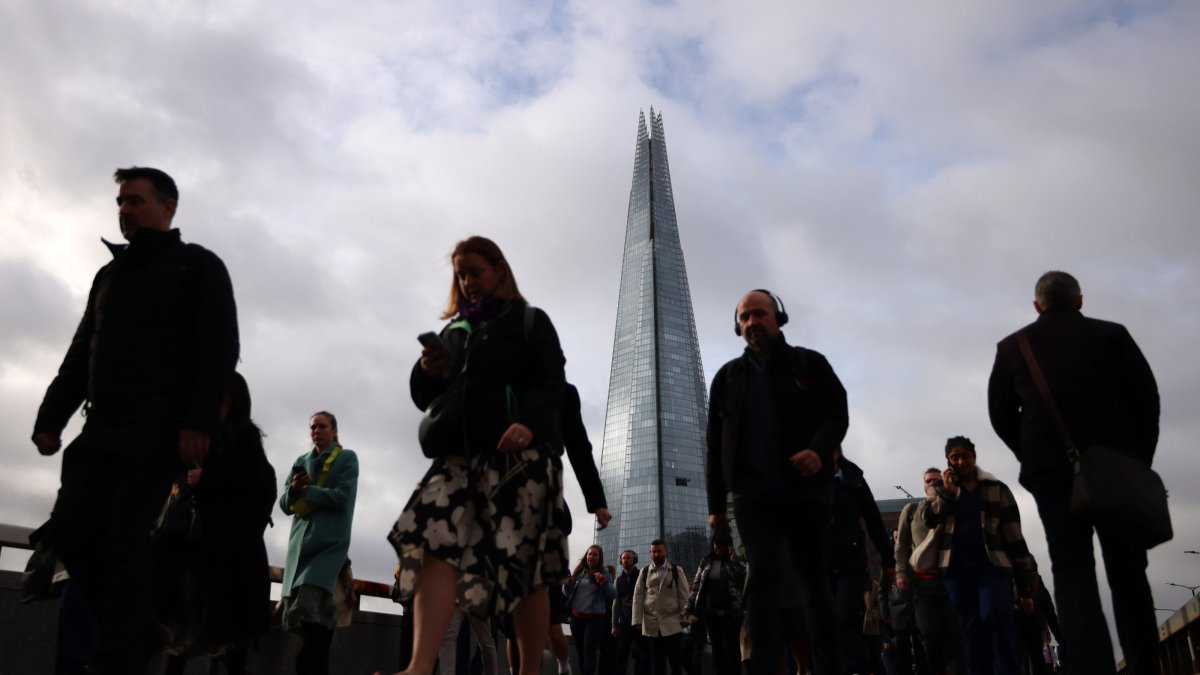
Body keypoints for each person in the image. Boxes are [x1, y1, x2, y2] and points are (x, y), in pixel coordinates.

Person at [31, 167, 239, 674]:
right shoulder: (109, 276)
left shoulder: (198, 266)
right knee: (70, 531)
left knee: (125, 537)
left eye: (135, 200)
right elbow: (82, 351)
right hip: (100, 428)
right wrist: (51, 417)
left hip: (157, 430)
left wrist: (198, 423)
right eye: (120, 202)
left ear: (168, 207)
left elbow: (219, 349)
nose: (124, 210)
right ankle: (138, 631)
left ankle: (116, 657)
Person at [389, 236, 569, 675]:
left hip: (521, 458)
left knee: (526, 568)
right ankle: (419, 666)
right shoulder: (456, 330)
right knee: (433, 543)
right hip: (461, 458)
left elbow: (553, 383)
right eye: (461, 275)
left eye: (475, 272)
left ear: (499, 271)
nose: (468, 282)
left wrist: (528, 423)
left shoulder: (529, 321)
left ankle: (528, 671)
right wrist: (426, 371)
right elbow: (425, 398)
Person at [987, 271, 1161, 675]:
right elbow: (1147, 401)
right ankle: (1144, 666)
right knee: (1128, 571)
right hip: (1117, 468)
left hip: (1052, 475)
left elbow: (1000, 415)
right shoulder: (1112, 335)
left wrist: (1031, 455)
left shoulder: (1014, 347)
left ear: (1037, 306)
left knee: (1071, 573)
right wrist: (1139, 459)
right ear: (1079, 300)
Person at [707, 289, 847, 675]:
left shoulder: (810, 364)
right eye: (744, 317)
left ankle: (828, 668)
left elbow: (836, 414)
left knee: (815, 585)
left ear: (778, 318)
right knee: (761, 588)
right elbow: (714, 446)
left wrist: (818, 450)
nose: (752, 322)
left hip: (805, 493)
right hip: (753, 497)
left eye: (759, 314)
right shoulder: (727, 378)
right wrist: (716, 508)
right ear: (738, 326)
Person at [162, 372, 277, 674]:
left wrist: (207, 478)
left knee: (226, 640)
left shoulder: (243, 437)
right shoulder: (200, 435)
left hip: (229, 554)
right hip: (198, 549)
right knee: (182, 634)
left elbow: (254, 485)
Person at [927, 437, 1037, 675]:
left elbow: (1013, 535)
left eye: (965, 456)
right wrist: (947, 493)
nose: (960, 461)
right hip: (956, 572)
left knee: (996, 621)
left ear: (974, 457)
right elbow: (928, 519)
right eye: (954, 457)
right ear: (948, 461)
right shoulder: (940, 489)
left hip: (993, 568)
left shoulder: (996, 488)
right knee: (969, 631)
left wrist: (1026, 577)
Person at [279, 411, 360, 675]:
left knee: (313, 622)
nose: (316, 431)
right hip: (299, 552)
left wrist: (309, 491)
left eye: (322, 426)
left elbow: (343, 497)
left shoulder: (347, 458)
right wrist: (294, 489)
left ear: (334, 431)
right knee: (315, 632)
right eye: (313, 427)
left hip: (327, 549)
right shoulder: (300, 461)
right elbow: (284, 505)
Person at [830, 447, 895, 674]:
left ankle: (853, 669)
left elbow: (873, 519)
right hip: (818, 562)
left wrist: (888, 558)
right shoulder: (804, 477)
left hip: (850, 559)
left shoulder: (853, 478)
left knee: (846, 615)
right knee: (823, 621)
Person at [895, 468, 965, 675]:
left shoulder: (954, 507)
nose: (933, 483)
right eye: (928, 481)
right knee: (929, 632)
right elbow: (901, 545)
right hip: (922, 584)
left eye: (936, 480)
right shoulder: (911, 510)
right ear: (924, 485)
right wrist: (900, 573)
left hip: (951, 581)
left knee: (955, 635)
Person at [683, 531, 746, 675]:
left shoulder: (734, 561)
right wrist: (688, 608)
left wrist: (734, 560)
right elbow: (696, 586)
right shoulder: (706, 561)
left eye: (721, 546)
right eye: (716, 545)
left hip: (732, 615)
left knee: (733, 649)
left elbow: (743, 576)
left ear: (728, 546)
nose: (717, 548)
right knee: (718, 651)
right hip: (711, 615)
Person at [631, 539, 691, 675]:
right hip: (652, 625)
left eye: (659, 551)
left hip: (672, 623)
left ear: (665, 552)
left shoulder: (676, 570)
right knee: (657, 664)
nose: (656, 554)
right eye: (653, 551)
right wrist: (637, 620)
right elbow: (638, 597)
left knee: (675, 663)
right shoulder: (644, 572)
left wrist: (685, 618)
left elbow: (684, 596)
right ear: (650, 552)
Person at [565, 545, 617, 675]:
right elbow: (568, 594)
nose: (591, 557)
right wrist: (566, 585)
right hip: (576, 620)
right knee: (580, 652)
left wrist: (603, 581)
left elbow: (613, 594)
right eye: (589, 554)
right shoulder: (580, 572)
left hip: (593, 621)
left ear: (600, 558)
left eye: (595, 554)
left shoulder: (604, 573)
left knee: (589, 652)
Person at [613, 550, 651, 675]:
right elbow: (616, 603)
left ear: (634, 560)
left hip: (641, 621)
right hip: (624, 621)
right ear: (620, 561)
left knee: (643, 655)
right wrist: (614, 625)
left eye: (629, 558)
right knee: (621, 654)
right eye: (623, 558)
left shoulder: (642, 575)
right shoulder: (619, 580)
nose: (626, 560)